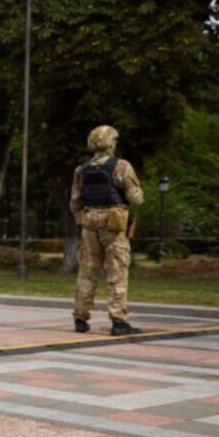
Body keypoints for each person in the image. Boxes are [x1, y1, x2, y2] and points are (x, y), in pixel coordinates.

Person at [70, 125, 144, 336]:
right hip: (114, 224)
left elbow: (75, 202)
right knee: (117, 272)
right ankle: (119, 321)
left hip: (88, 224)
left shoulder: (81, 169)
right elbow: (135, 198)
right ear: (111, 143)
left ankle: (80, 318)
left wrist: (83, 219)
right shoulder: (121, 166)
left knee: (87, 271)